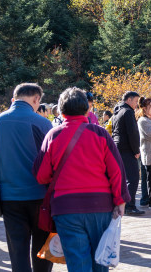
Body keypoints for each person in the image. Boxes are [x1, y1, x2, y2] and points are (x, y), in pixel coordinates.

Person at [34, 88, 129, 272]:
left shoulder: (53, 135)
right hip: (100, 206)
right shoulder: (100, 133)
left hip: (66, 208)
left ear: (61, 111)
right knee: (100, 261)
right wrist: (120, 200)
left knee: (78, 263)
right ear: (87, 110)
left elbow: (41, 175)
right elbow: (116, 170)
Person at [0, 83, 54, 272]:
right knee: (43, 247)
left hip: (9, 196)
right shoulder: (43, 123)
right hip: (40, 196)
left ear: (15, 97)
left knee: (17, 249)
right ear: (36, 99)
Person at [110, 91, 144, 215]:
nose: (136, 105)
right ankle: (130, 205)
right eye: (135, 101)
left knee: (122, 178)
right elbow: (133, 133)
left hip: (117, 147)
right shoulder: (128, 112)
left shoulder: (117, 111)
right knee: (133, 177)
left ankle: (122, 203)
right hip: (127, 148)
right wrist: (136, 150)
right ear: (129, 100)